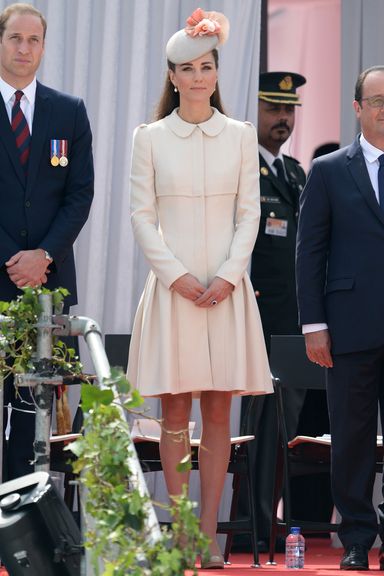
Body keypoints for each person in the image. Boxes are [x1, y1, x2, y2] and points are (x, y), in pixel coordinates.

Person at [127, 7, 272, 569]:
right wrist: (179, 276)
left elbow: (249, 214)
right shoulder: (150, 137)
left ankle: (210, 535)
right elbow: (141, 216)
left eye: (206, 66)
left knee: (217, 413)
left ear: (217, 72)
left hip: (227, 290)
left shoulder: (239, 135)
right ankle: (182, 532)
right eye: (187, 68)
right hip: (175, 289)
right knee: (173, 411)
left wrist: (229, 275)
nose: (197, 77)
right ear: (172, 75)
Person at [0, 3, 94, 480]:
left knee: (30, 414)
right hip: (1, 279)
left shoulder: (68, 111)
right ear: (1, 41)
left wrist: (44, 255)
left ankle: (22, 534)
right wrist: (12, 259)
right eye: (16, 38)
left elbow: (80, 194)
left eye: (34, 40)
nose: (24, 49)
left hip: (47, 289)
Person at [296, 64, 384, 571]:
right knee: (351, 438)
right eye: (375, 100)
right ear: (357, 108)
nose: (383, 109)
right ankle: (355, 537)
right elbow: (310, 252)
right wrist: (314, 325)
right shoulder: (329, 169)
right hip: (348, 326)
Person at [235, 71, 307, 551]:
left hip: (295, 326)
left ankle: (270, 520)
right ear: (254, 110)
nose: (282, 118)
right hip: (254, 318)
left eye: (288, 110)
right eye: (272, 108)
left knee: (286, 431)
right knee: (250, 430)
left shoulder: (296, 174)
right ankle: (247, 528)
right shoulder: (241, 169)